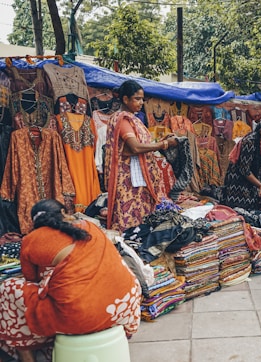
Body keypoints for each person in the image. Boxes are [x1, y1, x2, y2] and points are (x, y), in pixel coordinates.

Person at [0, 199, 141, 362]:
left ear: (34, 222)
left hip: (79, 318)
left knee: (8, 289)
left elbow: (32, 279)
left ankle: (26, 356)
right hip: (123, 310)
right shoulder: (90, 227)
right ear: (63, 213)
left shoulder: (31, 240)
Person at [103, 80, 177, 232]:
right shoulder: (123, 119)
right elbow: (135, 147)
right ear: (125, 99)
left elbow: (139, 146)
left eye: (142, 99)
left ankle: (138, 237)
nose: (141, 102)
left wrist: (160, 141)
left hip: (137, 175)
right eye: (137, 99)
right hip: (127, 178)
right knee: (127, 213)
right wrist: (164, 145)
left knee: (142, 212)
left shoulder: (134, 119)